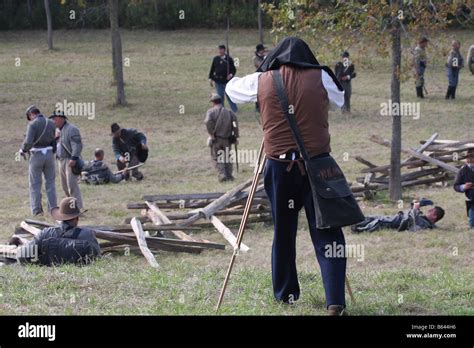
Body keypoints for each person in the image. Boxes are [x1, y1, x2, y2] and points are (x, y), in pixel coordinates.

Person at [226, 37, 348, 315]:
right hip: (318, 166)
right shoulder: (322, 77)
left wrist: (256, 71)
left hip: (280, 169)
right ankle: (335, 301)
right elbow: (340, 99)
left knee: (283, 231)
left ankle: (286, 295)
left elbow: (232, 90)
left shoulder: (262, 80)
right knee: (328, 232)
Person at [13, 197, 101, 266]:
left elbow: (21, 256)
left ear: (60, 217)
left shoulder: (45, 234)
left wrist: (39, 264)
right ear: (77, 218)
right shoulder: (87, 235)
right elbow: (97, 259)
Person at [19, 105, 57, 216]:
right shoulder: (50, 122)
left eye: (29, 116)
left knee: (35, 184)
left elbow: (29, 142)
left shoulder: (32, 124)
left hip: (36, 155)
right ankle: (53, 209)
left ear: (31, 114)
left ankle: (37, 210)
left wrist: (23, 150)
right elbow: (54, 139)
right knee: (50, 183)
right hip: (49, 154)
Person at [50, 110, 84, 209]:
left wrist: (74, 158)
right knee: (65, 186)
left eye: (54, 119)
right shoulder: (57, 130)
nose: (53, 121)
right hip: (61, 160)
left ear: (61, 119)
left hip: (70, 160)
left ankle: (78, 208)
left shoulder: (72, 129)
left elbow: (77, 145)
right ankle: (70, 208)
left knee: (72, 186)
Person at [204, 93, 239, 182]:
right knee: (227, 157)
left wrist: (211, 134)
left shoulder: (210, 112)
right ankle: (229, 175)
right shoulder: (229, 112)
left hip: (216, 139)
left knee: (217, 157)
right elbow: (235, 124)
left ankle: (222, 175)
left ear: (213, 102)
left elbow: (207, 121)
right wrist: (235, 136)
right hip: (227, 139)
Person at [351, 203, 445, 233]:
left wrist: (415, 209)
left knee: (379, 222)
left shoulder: (425, 224)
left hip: (396, 222)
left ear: (434, 216)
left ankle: (359, 230)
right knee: (372, 217)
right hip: (396, 217)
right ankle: (352, 222)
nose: (428, 211)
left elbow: (412, 224)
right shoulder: (424, 219)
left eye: (431, 211)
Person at [208, 44, 238, 113]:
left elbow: (233, 69)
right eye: (219, 49)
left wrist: (231, 75)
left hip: (226, 81)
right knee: (220, 96)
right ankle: (221, 110)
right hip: (218, 80)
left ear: (224, 50)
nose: (220, 51)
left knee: (229, 95)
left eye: (221, 49)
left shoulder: (229, 59)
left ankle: (234, 109)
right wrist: (211, 78)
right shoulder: (216, 59)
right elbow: (212, 69)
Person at [453, 149, 474, 228]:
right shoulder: (462, 171)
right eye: (468, 158)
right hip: (473, 201)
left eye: (472, 157)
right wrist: (463, 187)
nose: (470, 160)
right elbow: (456, 186)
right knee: (472, 225)